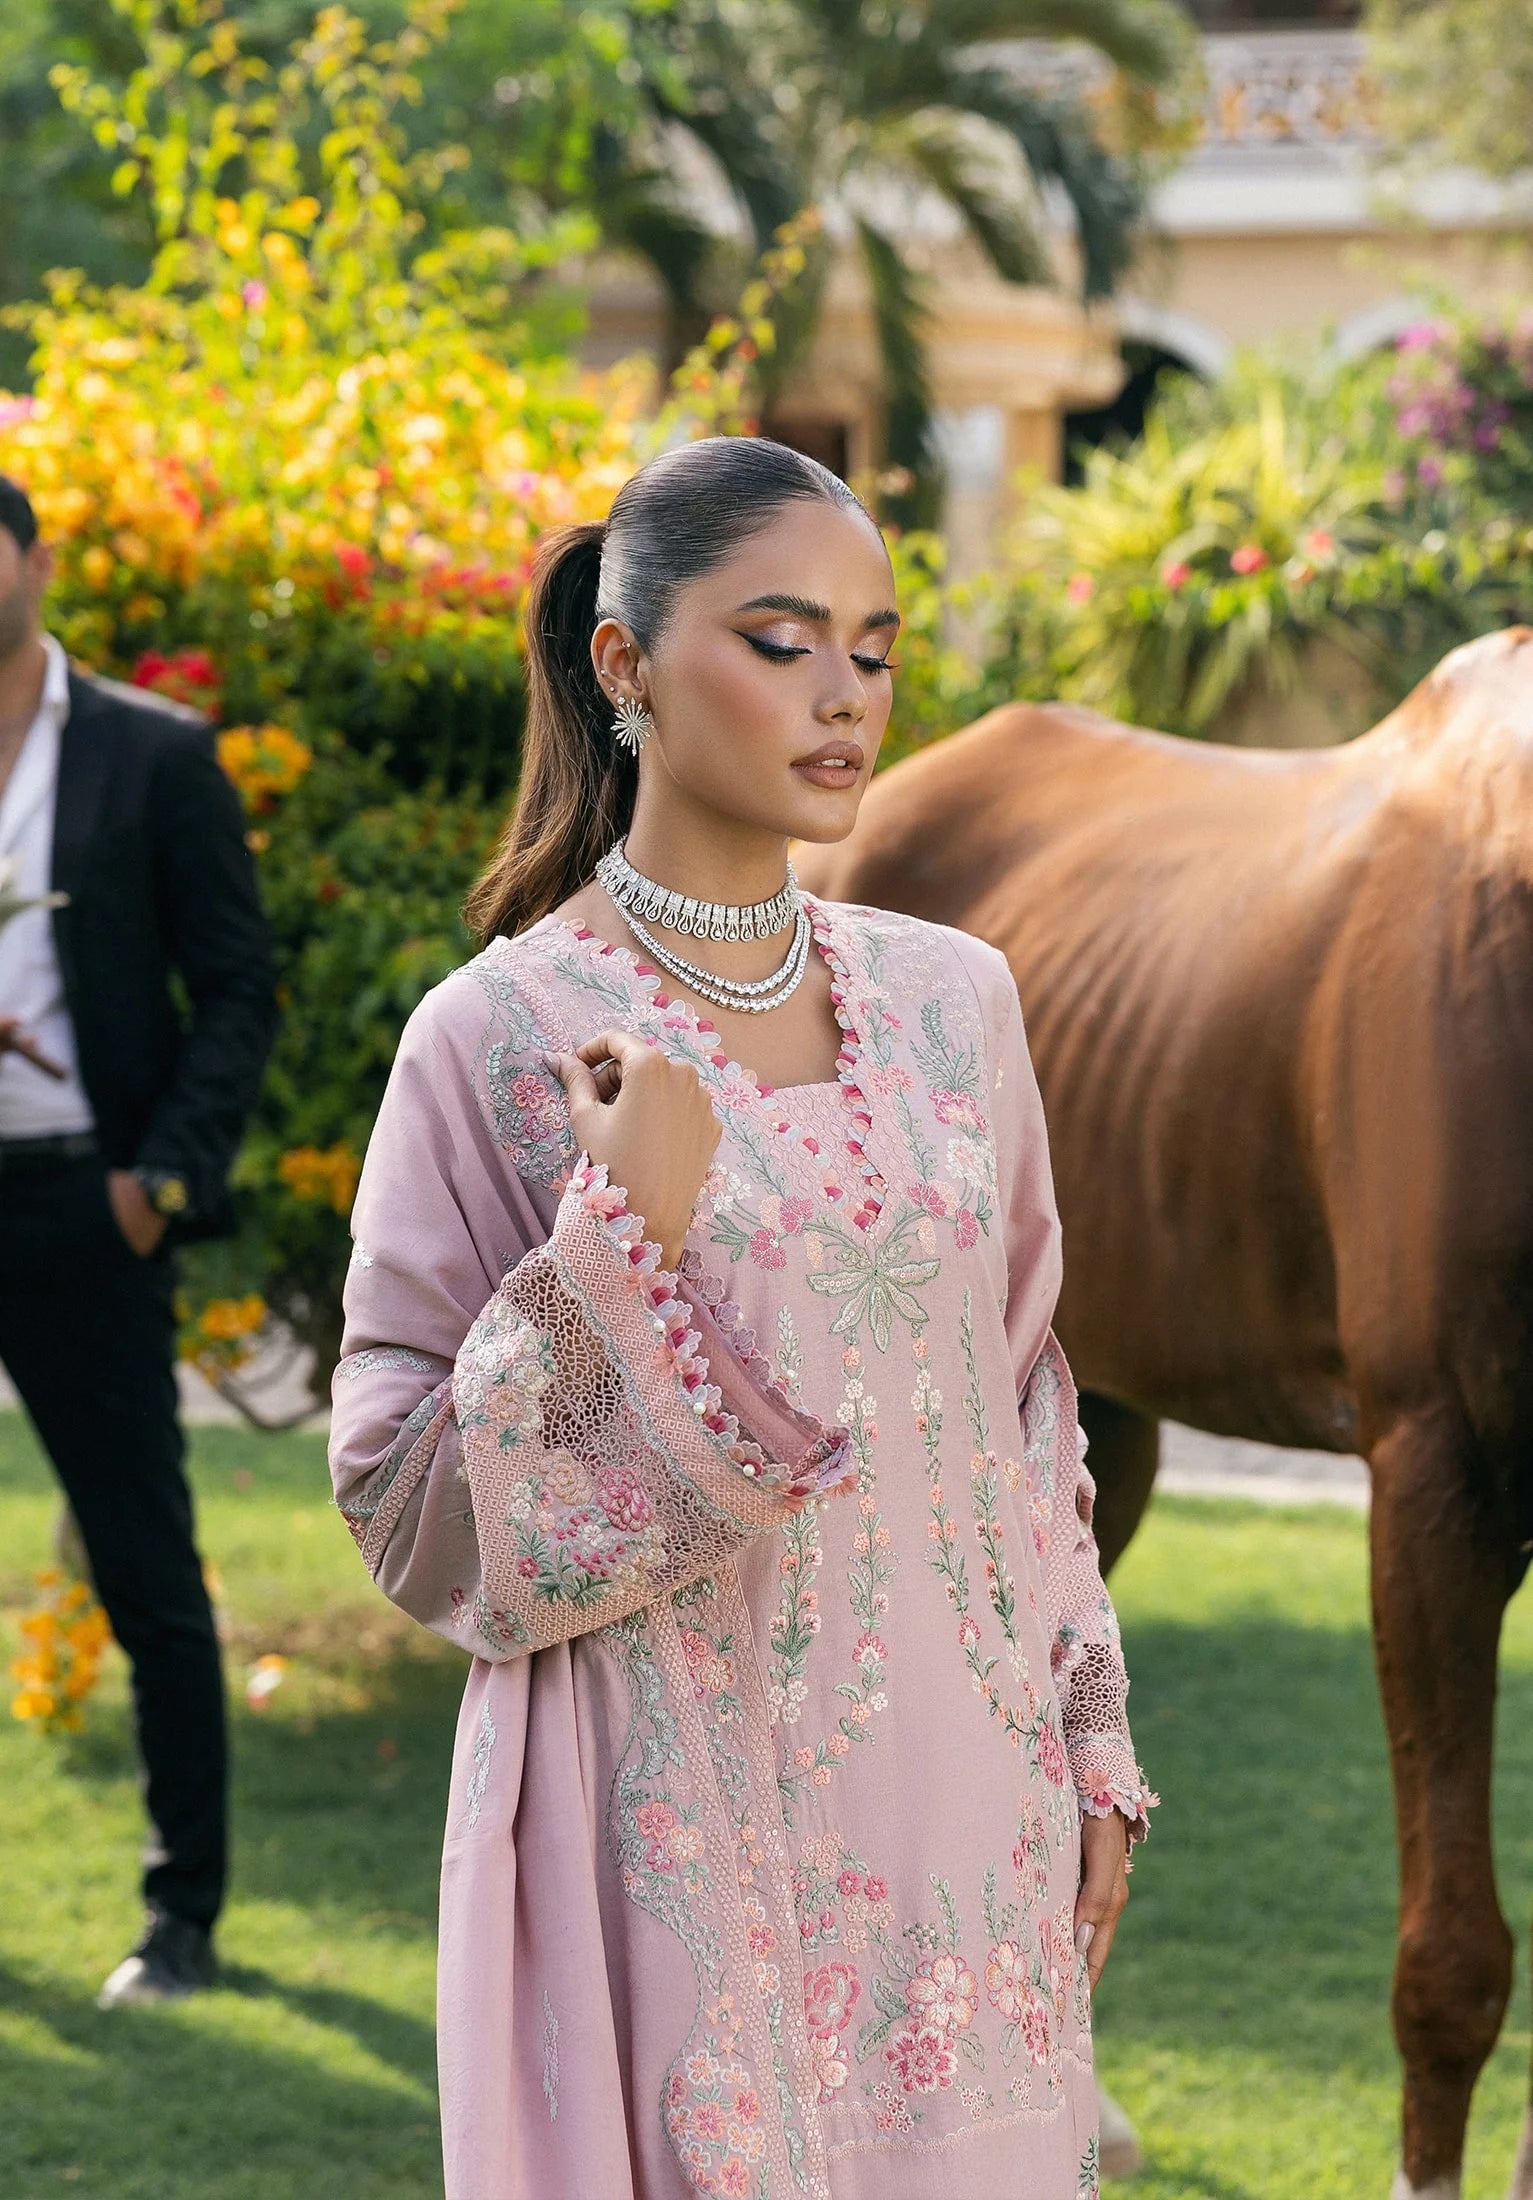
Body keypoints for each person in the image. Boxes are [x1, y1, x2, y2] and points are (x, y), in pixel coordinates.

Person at [329, 436, 1154, 2199]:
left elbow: (1022, 1406)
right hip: (676, 1832)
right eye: (781, 642)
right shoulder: (495, 1038)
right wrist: (616, 1238)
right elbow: (408, 1509)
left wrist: (1088, 1732)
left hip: (966, 1813)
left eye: (874, 648)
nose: (843, 694)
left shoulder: (956, 1002)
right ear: (623, 665)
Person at [0, 474, 277, 2006]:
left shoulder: (151, 753)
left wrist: (157, 1180)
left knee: (145, 1570)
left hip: (83, 1203)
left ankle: (184, 1918)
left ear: (36, 562)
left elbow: (236, 984)